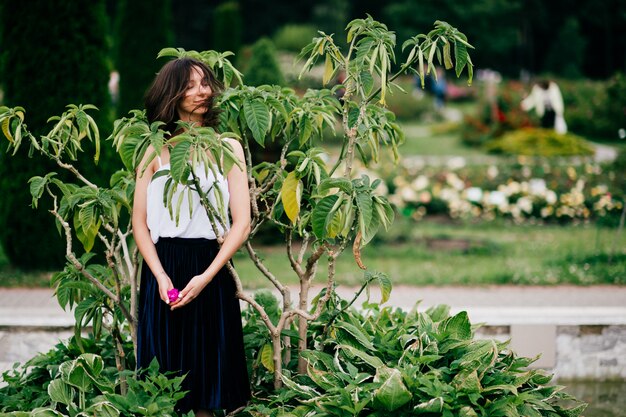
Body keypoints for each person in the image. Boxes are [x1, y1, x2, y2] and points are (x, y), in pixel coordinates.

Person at [132, 57, 251, 416]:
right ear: (172, 94)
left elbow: (241, 223)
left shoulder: (227, 147)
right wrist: (160, 275)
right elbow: (139, 222)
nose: (202, 92)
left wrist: (207, 277)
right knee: (164, 385)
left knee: (208, 384)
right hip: (163, 265)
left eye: (205, 83)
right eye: (190, 85)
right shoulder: (152, 149)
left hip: (209, 267)